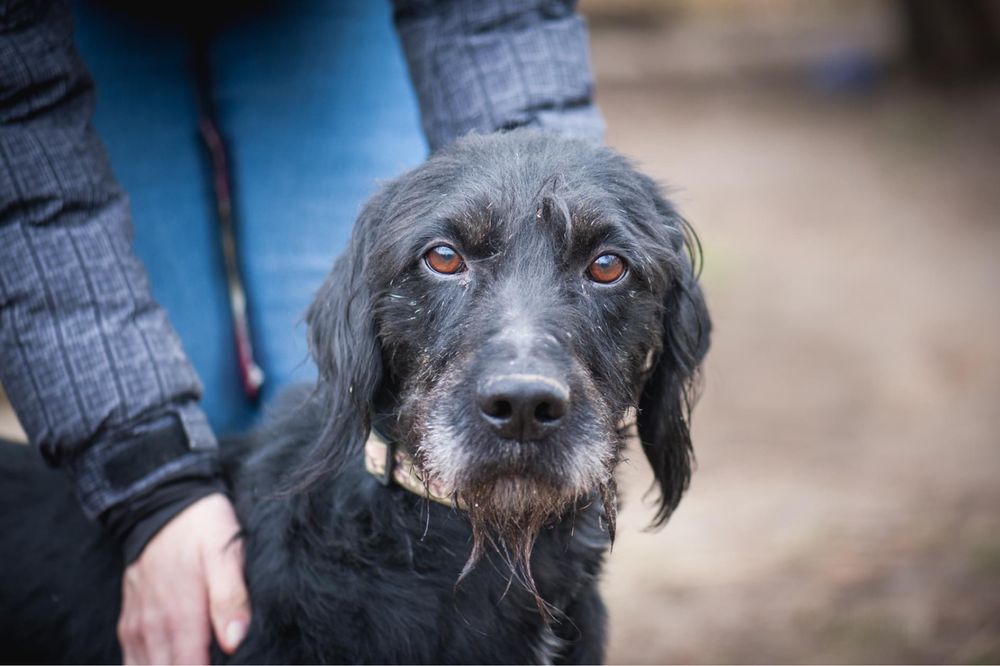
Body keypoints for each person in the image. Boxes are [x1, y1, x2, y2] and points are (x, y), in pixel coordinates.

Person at [0, 0, 604, 663]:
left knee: (342, 429)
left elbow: (501, 27)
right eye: (449, 260)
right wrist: (153, 495)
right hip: (61, 29)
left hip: (325, 17)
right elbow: (29, 191)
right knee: (195, 473)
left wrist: (571, 207)